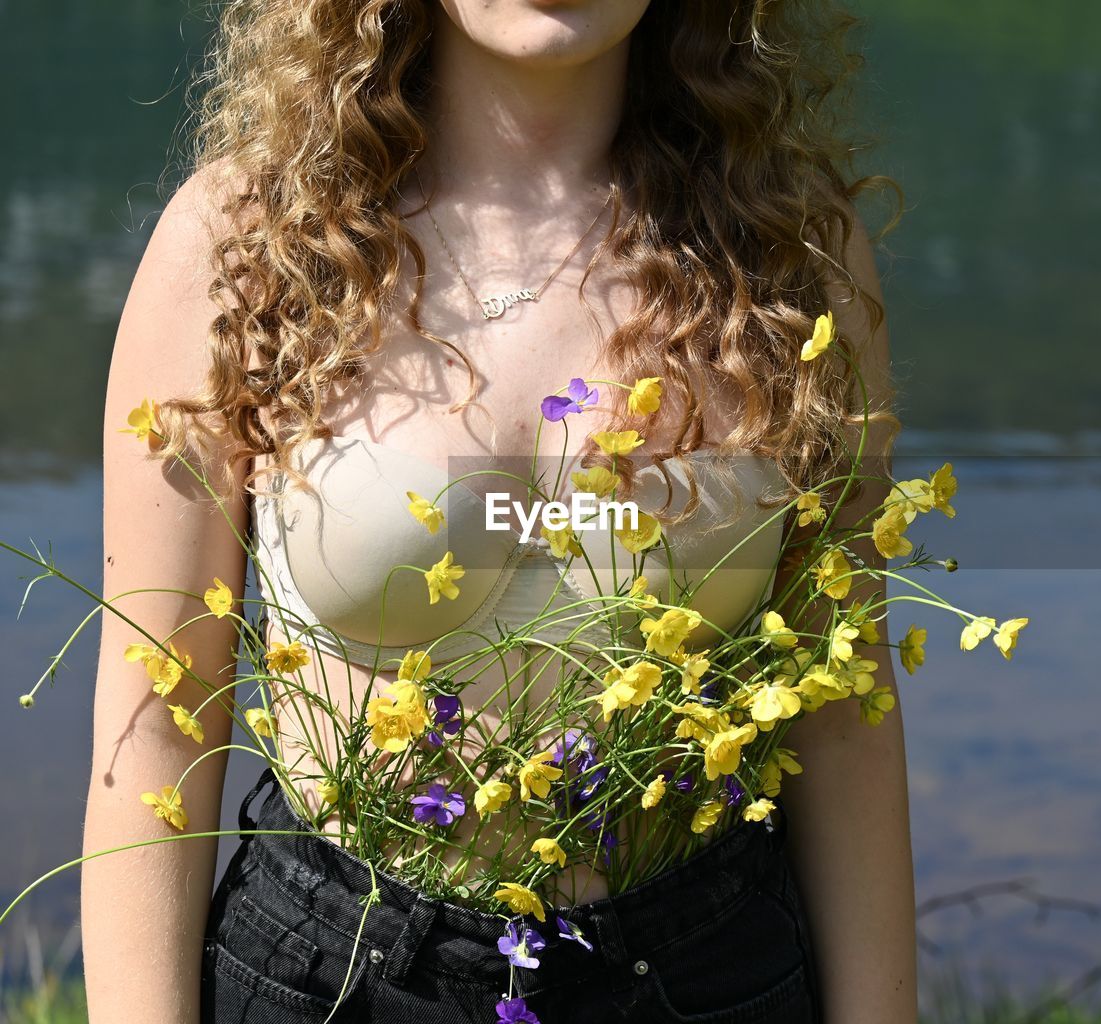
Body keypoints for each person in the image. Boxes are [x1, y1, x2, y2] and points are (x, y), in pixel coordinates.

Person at [83, 1, 916, 1020]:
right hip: (335, 975)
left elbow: (840, 715)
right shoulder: (247, 247)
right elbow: (160, 731)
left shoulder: (788, 258)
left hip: (703, 971)